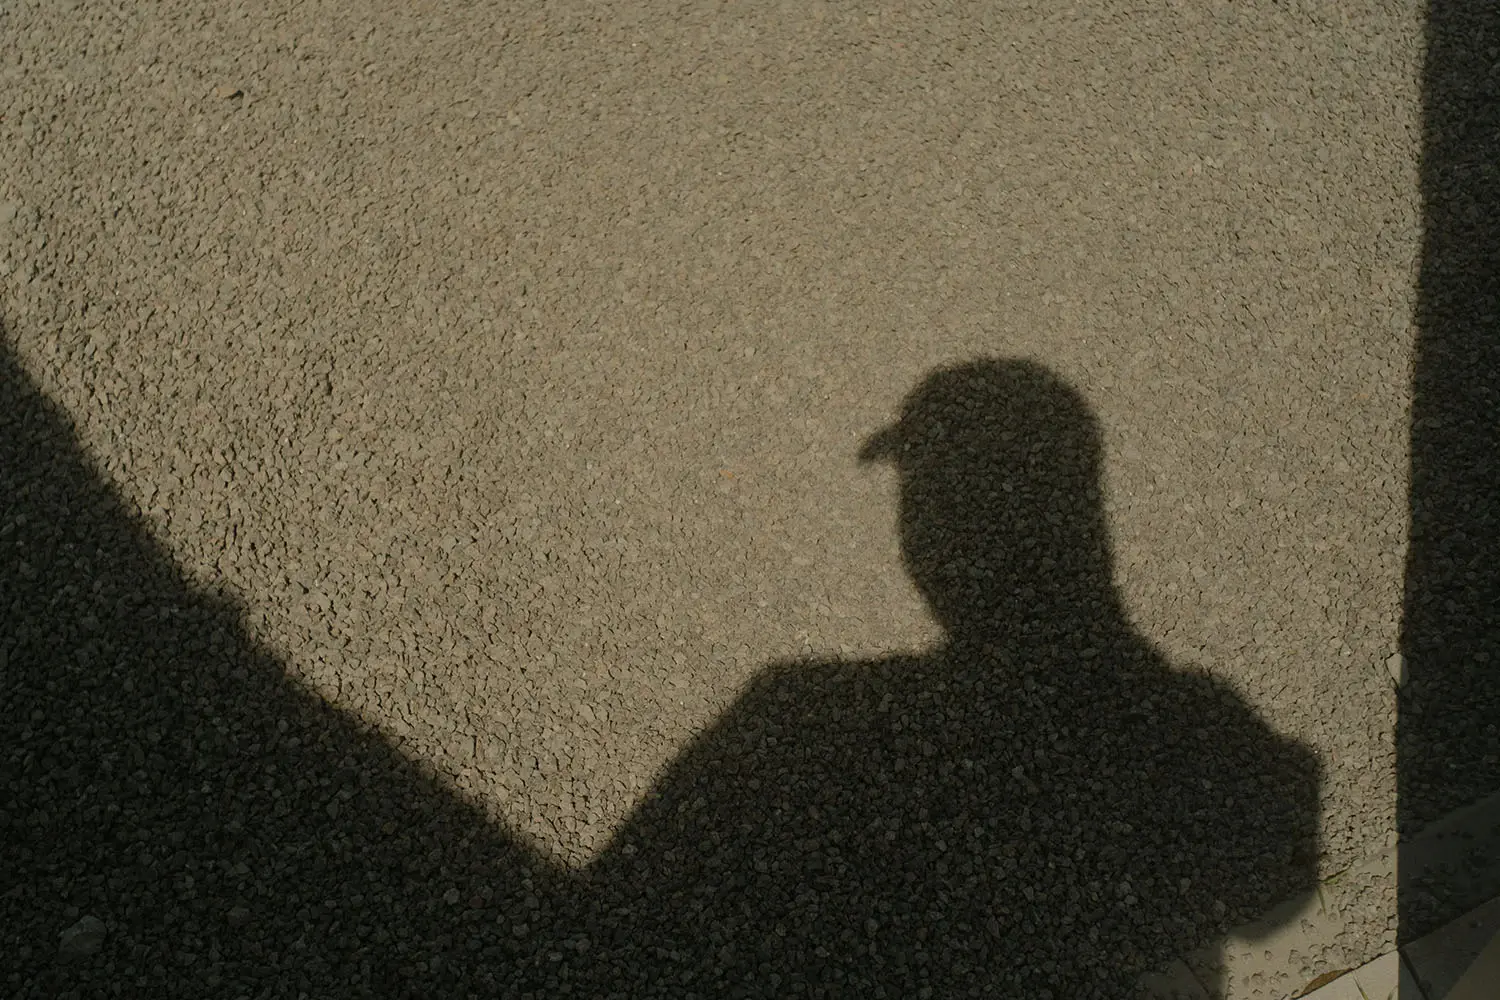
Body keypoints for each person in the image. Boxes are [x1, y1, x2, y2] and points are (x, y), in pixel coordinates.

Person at [559, 359, 1321, 997]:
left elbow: (614, 930)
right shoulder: (1217, 731)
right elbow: (1270, 902)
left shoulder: (791, 704)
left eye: (927, 492)